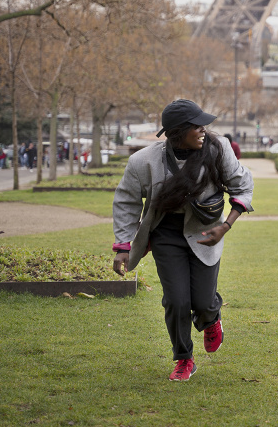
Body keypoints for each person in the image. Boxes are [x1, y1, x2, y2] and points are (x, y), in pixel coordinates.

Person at [111, 99, 254, 382]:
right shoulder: (142, 161)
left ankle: (211, 317)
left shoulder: (218, 149)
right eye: (196, 126)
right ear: (178, 132)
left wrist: (225, 226)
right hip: (165, 232)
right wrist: (123, 246)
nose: (204, 129)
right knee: (176, 300)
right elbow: (125, 201)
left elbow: (242, 185)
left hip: (206, 231)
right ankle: (183, 358)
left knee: (202, 301)